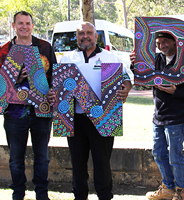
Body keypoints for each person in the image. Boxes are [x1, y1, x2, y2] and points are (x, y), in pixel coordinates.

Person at [48, 22, 132, 200]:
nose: (85, 36)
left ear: (96, 36)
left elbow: (125, 77)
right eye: (81, 33)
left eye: (88, 33)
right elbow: (58, 88)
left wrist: (127, 88)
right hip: (75, 120)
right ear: (77, 37)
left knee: (102, 163)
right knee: (77, 164)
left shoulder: (110, 57)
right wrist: (53, 94)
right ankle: (79, 196)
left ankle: (105, 196)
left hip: (103, 118)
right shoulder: (68, 58)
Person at [129, 32, 184, 200]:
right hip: (159, 116)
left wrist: (177, 91)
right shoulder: (156, 60)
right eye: (158, 43)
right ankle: (168, 188)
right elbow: (142, 78)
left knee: (175, 156)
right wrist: (135, 64)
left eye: (165, 42)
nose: (161, 45)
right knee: (158, 152)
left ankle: (181, 192)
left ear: (174, 42)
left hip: (178, 117)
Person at [0, 11, 56, 200]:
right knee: (16, 159)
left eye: (27, 23)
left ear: (32, 26)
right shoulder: (4, 50)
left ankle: (42, 195)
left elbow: (55, 78)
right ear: (14, 26)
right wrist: (14, 78)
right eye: (20, 23)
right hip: (14, 114)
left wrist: (53, 91)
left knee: (42, 158)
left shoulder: (44, 47)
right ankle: (18, 194)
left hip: (41, 112)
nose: (24, 26)